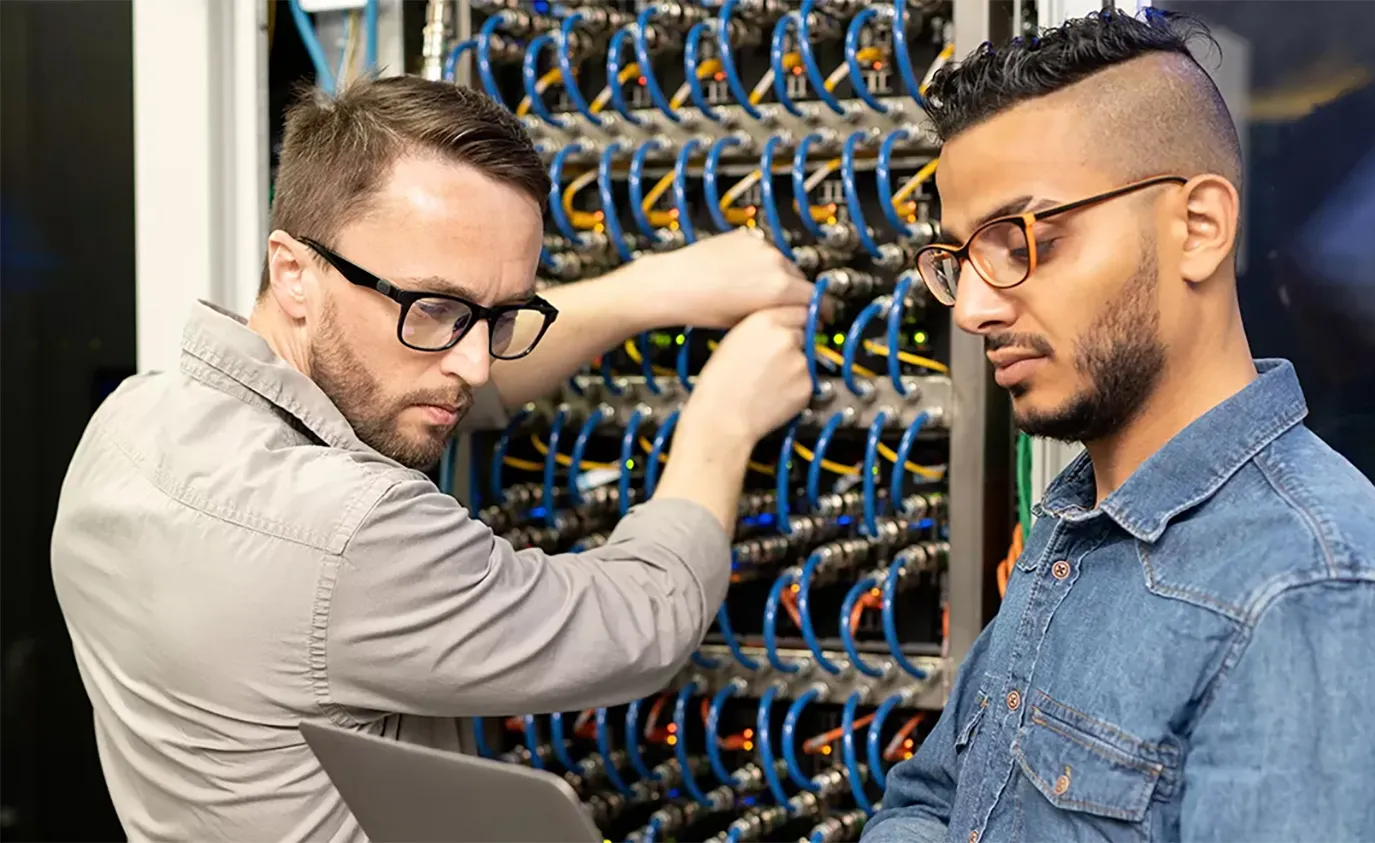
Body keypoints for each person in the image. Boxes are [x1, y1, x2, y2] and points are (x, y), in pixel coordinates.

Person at [50, 75, 814, 841]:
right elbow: (643, 617)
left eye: (506, 315)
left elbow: (413, 376)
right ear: (294, 274)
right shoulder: (349, 534)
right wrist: (725, 417)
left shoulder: (128, 425)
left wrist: (652, 290)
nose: (478, 366)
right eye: (438, 310)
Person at [863, 10, 1375, 843]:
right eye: (958, 259)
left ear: (1199, 227)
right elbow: (928, 804)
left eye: (1019, 239)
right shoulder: (1084, 520)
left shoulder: (1310, 598)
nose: (971, 307)